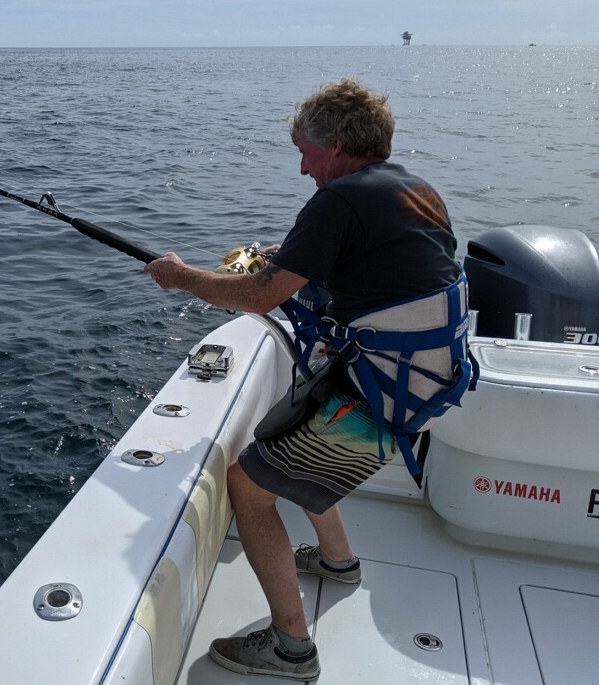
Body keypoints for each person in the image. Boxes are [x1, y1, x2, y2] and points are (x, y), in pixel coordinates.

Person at [144, 78, 466, 681]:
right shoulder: (413, 189)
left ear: (339, 144)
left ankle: (293, 649)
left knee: (248, 482)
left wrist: (184, 277)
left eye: (306, 151)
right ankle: (338, 563)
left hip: (383, 390)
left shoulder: (339, 201)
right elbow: (374, 269)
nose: (301, 168)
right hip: (422, 374)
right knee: (292, 437)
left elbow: (261, 295)